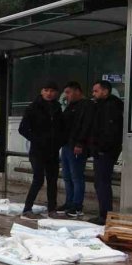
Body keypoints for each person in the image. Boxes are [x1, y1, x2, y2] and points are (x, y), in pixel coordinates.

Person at [18, 81, 65, 220]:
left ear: (56, 93)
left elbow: (61, 128)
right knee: (38, 179)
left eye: (52, 91)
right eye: (46, 90)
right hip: (38, 150)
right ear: (42, 91)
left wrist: (59, 141)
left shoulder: (57, 108)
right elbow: (23, 129)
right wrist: (37, 139)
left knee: (52, 180)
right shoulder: (33, 107)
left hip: (53, 150)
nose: (49, 93)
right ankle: (27, 208)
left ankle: (52, 209)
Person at [86, 80, 124, 225]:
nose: (93, 94)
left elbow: (109, 131)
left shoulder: (110, 107)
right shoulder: (101, 105)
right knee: (100, 183)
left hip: (105, 151)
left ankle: (105, 215)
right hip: (101, 150)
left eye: (96, 91)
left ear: (105, 91)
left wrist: (101, 148)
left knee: (102, 183)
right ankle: (103, 213)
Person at [58, 82, 92, 218]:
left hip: (77, 146)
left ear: (77, 91)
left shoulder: (86, 105)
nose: (66, 95)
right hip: (66, 145)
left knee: (76, 176)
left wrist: (80, 143)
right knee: (67, 176)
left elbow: (85, 126)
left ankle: (77, 205)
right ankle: (69, 202)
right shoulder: (70, 106)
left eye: (68, 92)